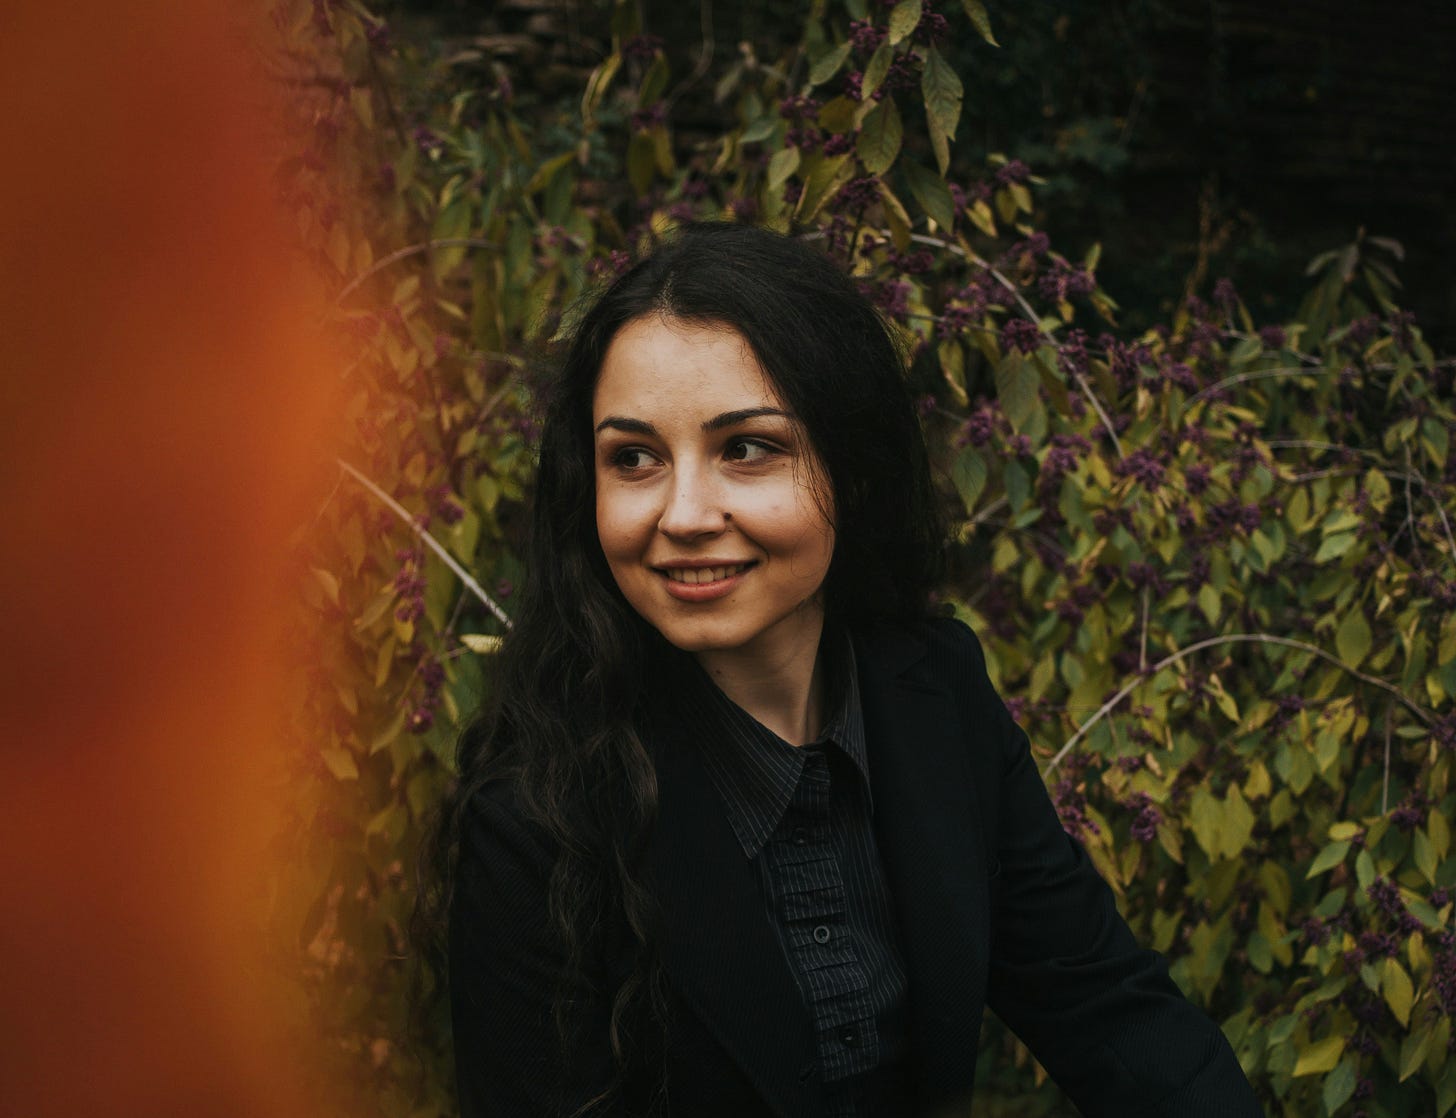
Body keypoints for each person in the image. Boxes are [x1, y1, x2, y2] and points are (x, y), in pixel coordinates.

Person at [438, 222, 1262, 1116]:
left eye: (747, 448)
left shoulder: (934, 694)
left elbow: (1108, 1009)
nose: (681, 513)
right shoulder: (535, 818)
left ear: (855, 470)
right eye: (633, 459)